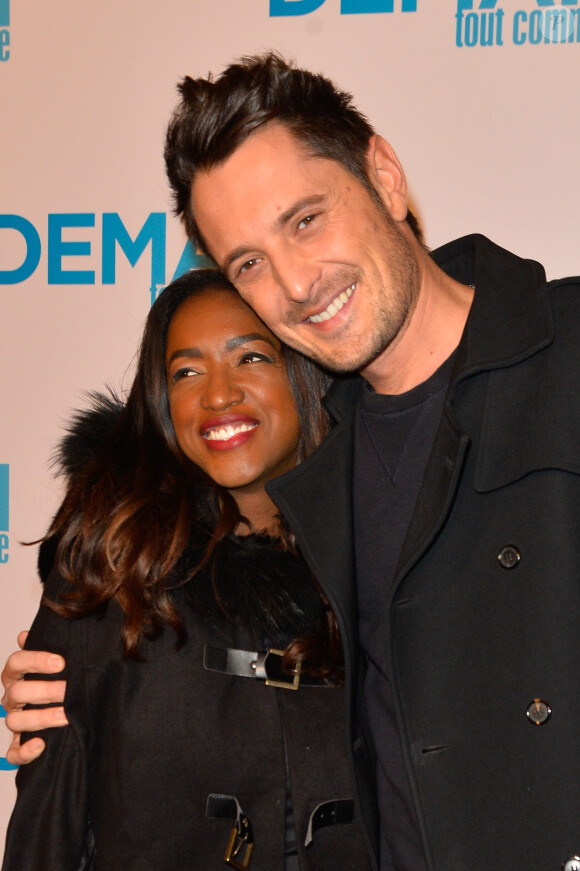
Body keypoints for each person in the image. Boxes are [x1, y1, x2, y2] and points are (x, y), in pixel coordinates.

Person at [4, 52, 580, 870]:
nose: (296, 283)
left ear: (384, 175)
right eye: (247, 262)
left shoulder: (568, 358)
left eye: (305, 219)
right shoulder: (318, 464)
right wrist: (71, 680)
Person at [1, 267, 374, 871]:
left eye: (251, 358)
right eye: (187, 372)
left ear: (304, 372)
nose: (218, 393)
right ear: (161, 401)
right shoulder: (110, 560)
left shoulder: (381, 560)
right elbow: (48, 831)